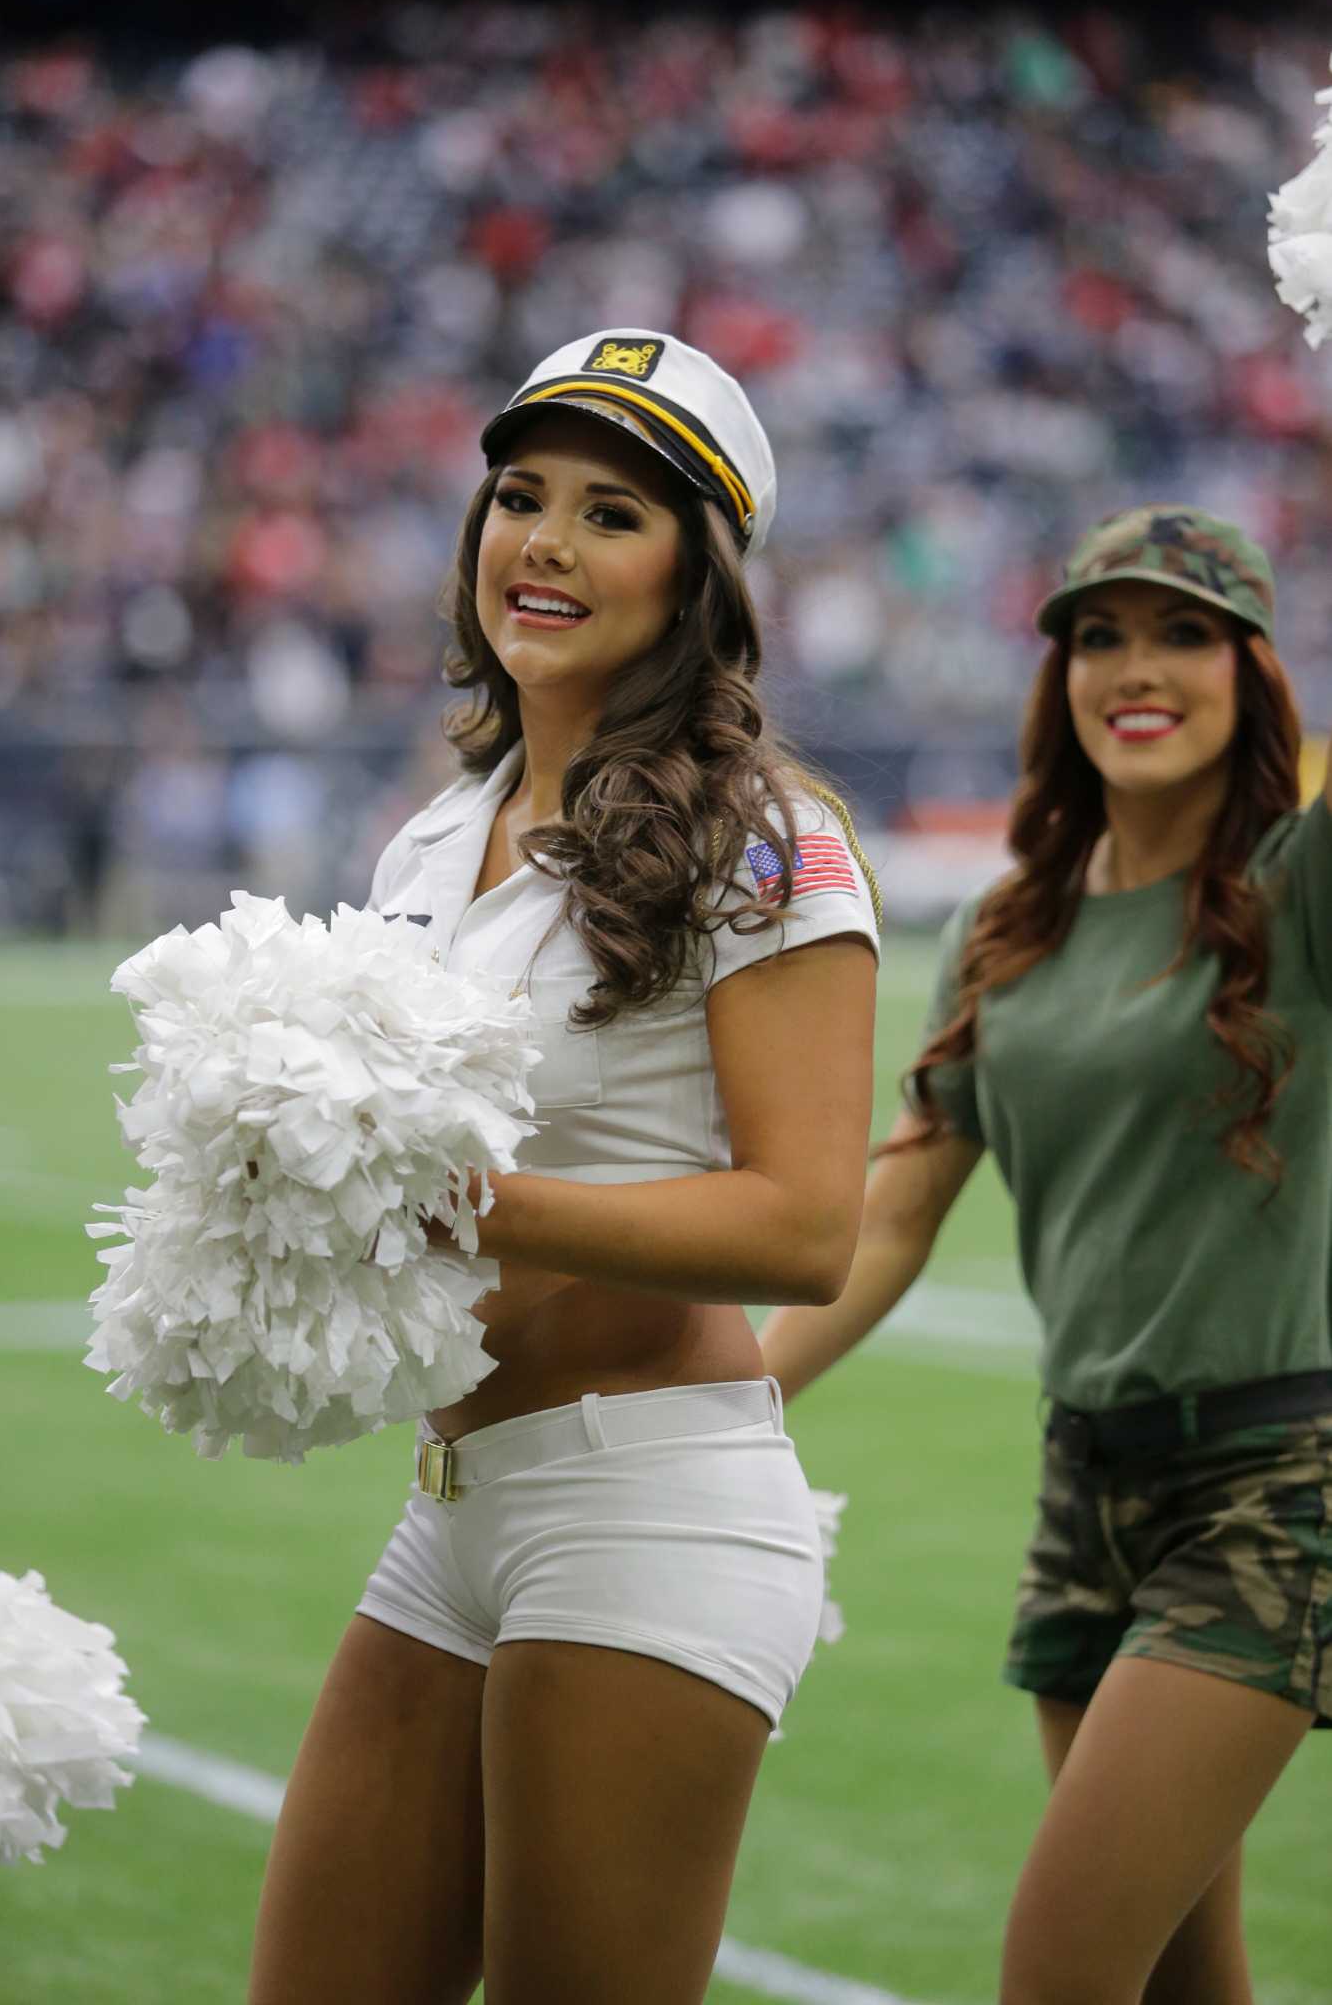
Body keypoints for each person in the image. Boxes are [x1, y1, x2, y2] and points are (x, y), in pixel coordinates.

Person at [247, 329, 881, 2005]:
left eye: (613, 515)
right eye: (518, 497)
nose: (540, 542)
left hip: (647, 1507)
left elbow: (809, 1225)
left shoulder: (766, 834)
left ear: (696, 579)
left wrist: (457, 1200)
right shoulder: (433, 833)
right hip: (451, 1508)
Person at [760, 505, 1332, 2005]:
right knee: (1176, 1986)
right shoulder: (1002, 931)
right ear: (1057, 676)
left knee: (1059, 1971)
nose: (1134, 670)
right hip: (1087, 1491)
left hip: (1273, 1492)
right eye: (1098, 636)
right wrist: (726, 1408)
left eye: (1181, 634)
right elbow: (890, 1217)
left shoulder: (1302, 889)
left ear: (1253, 669)